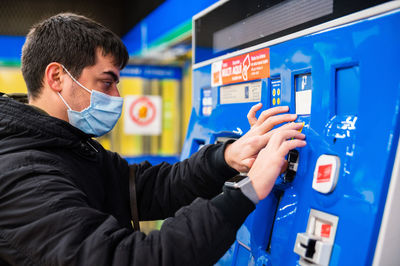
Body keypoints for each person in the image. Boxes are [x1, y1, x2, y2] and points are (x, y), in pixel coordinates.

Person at [0, 13, 306, 266]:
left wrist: (227, 157)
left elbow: (148, 189)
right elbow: (133, 259)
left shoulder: (67, 144)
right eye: (106, 82)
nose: (116, 97)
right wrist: (248, 189)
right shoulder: (24, 175)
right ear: (57, 77)